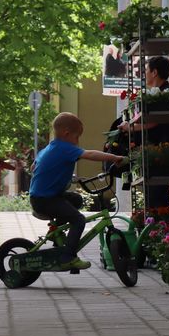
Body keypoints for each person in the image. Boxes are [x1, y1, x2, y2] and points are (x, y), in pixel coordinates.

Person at [29, 112, 127, 270]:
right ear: (67, 134)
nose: (78, 141)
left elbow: (34, 166)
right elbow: (90, 154)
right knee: (78, 220)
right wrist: (115, 158)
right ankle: (68, 256)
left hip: (42, 197)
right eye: (77, 137)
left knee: (76, 200)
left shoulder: (50, 147)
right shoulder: (65, 147)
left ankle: (58, 237)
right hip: (45, 200)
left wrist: (61, 175)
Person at [124, 55, 169, 209]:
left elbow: (155, 122)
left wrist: (131, 127)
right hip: (162, 152)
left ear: (154, 72)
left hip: (165, 152)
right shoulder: (161, 92)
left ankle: (159, 228)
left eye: (146, 70)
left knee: (157, 196)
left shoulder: (167, 93)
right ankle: (159, 227)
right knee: (155, 195)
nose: (144, 73)